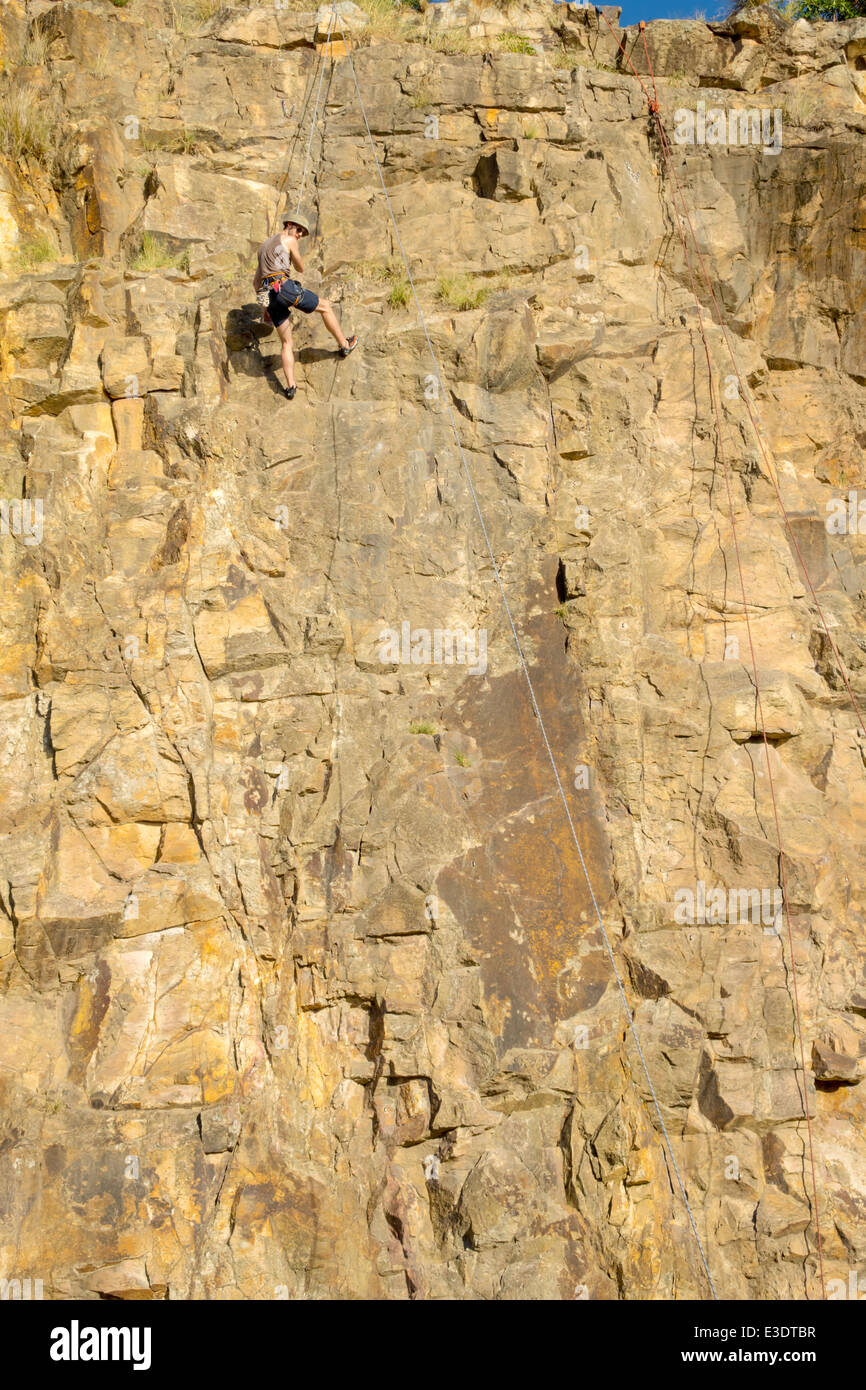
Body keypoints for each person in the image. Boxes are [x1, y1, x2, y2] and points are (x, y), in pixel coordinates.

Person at [253, 209, 358, 400]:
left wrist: (265, 308)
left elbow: (256, 283)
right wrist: (293, 257)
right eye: (299, 230)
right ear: (289, 225)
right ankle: (344, 344)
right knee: (325, 306)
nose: (300, 235)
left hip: (269, 293)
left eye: (302, 233)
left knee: (286, 342)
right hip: (283, 286)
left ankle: (291, 386)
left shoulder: (262, 248)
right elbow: (300, 268)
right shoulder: (289, 240)